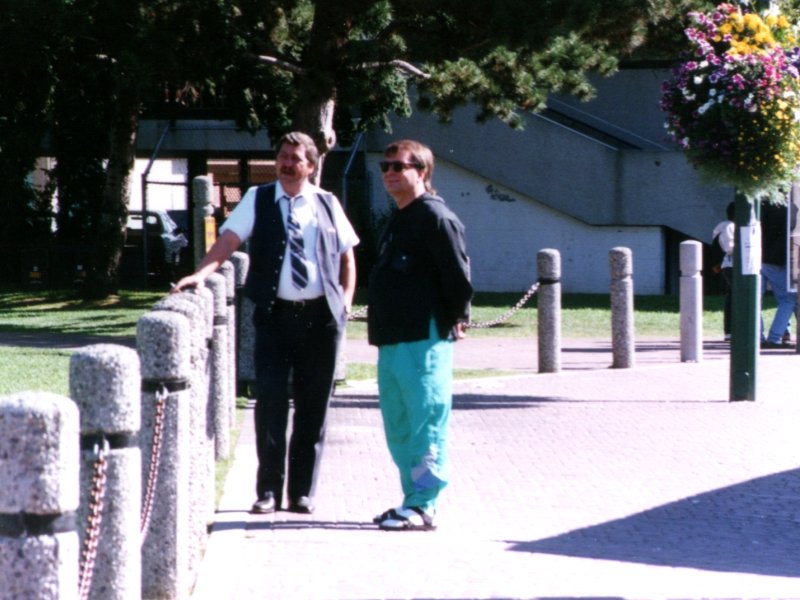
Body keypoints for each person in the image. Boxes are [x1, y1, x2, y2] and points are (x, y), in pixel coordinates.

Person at [172, 131, 359, 514]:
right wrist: (201, 274)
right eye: (282, 156)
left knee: (313, 407)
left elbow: (347, 258)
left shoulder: (327, 203)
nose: (287, 164)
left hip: (321, 320)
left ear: (311, 165)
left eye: (295, 158)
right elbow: (227, 242)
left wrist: (344, 304)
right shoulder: (258, 198)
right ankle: (268, 491)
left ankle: (301, 492)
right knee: (270, 402)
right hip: (275, 318)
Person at [368, 140, 473, 531]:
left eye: (399, 166)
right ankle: (410, 500)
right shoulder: (399, 217)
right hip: (393, 336)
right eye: (385, 166)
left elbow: (458, 275)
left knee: (425, 421)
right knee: (399, 425)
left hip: (423, 337)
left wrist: (457, 316)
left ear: (422, 172)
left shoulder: (435, 216)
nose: (389, 173)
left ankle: (425, 505)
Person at [760, 199, 796, 349]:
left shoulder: (759, 205)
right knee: (788, 299)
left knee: (755, 299)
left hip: (756, 256)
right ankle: (774, 337)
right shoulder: (788, 208)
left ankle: (757, 336)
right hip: (776, 258)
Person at [712, 201, 735, 341]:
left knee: (732, 296)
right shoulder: (729, 226)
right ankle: (730, 330)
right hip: (731, 264)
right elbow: (729, 247)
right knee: (734, 296)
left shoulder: (723, 226)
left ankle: (730, 330)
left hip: (727, 265)